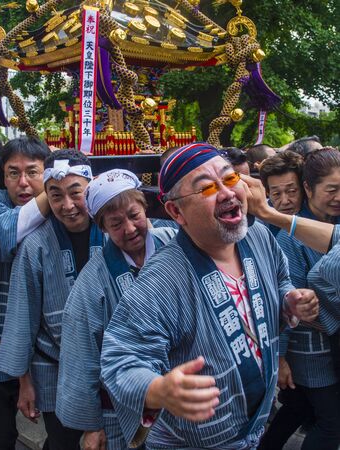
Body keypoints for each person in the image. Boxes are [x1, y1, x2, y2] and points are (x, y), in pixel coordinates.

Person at [100, 142, 318, 450]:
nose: (228, 193)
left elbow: (280, 279)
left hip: (251, 431)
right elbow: (120, 359)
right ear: (176, 211)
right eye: (206, 189)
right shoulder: (162, 278)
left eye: (229, 179)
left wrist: (288, 300)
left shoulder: (257, 237)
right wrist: (158, 388)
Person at [56, 169, 177, 450]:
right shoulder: (92, 281)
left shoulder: (175, 243)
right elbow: (80, 353)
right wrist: (92, 426)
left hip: (183, 395)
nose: (130, 229)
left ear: (145, 208)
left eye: (135, 216)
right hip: (123, 409)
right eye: (116, 223)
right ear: (103, 228)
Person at [0, 150, 105, 450]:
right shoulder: (35, 245)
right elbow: (22, 317)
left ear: (91, 188)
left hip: (113, 368)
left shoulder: (113, 231)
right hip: (55, 372)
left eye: (75, 193)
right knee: (63, 442)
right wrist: (24, 382)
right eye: (55, 195)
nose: (66, 206)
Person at [258, 148, 340, 450]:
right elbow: (285, 297)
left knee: (299, 408)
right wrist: (280, 357)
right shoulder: (290, 236)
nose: (285, 201)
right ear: (312, 188)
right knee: (331, 424)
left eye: (289, 191)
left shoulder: (328, 223)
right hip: (309, 349)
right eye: (331, 190)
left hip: (325, 345)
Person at [0, 136, 50, 450]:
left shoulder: (64, 209)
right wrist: (52, 190)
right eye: (13, 173)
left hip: (48, 354)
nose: (23, 182)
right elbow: (4, 234)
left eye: (33, 172)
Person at [259, 151, 304, 236]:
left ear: (304, 189)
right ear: (268, 193)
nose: (284, 201)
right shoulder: (261, 226)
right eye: (276, 194)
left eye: (291, 191)